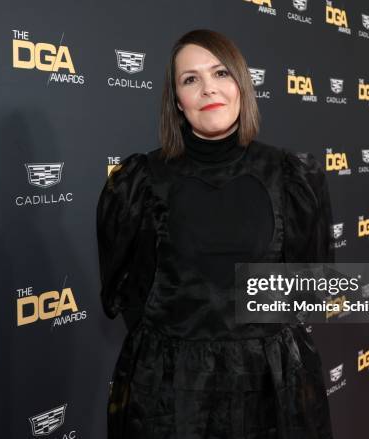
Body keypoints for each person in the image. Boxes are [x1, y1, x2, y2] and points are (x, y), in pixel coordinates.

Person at [97, 29, 334, 439]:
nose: (209, 88)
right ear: (176, 100)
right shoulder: (141, 182)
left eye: (221, 73)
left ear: (241, 83)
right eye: (190, 79)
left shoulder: (290, 176)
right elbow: (127, 294)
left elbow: (312, 285)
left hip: (269, 387)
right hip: (170, 395)